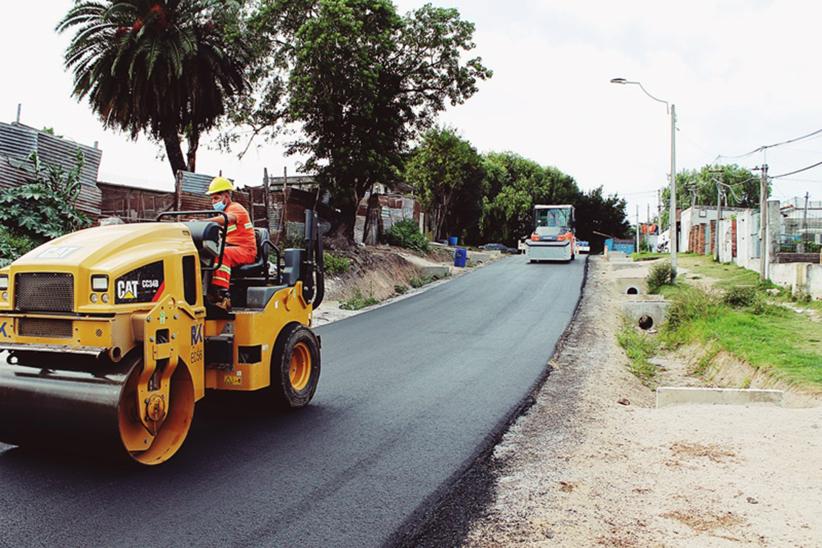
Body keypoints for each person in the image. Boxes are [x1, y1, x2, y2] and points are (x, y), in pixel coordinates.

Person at [204, 176, 257, 309]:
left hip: (246, 251)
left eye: (216, 198)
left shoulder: (235, 208)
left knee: (222, 254)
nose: (213, 202)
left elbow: (229, 218)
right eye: (212, 199)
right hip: (233, 248)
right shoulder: (221, 213)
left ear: (226, 196)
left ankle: (221, 295)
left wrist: (204, 222)